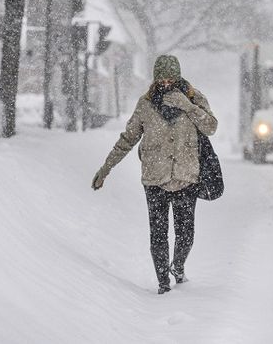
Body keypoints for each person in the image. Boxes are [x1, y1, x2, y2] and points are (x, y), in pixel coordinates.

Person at [91, 55, 217, 294]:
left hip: (186, 178)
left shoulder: (194, 98)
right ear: (155, 78)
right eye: (161, 78)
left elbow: (211, 126)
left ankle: (177, 267)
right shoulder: (145, 104)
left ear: (178, 76)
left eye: (171, 77)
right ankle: (163, 284)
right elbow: (128, 139)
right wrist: (105, 169)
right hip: (155, 179)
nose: (166, 83)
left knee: (185, 234)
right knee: (158, 235)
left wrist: (187, 106)